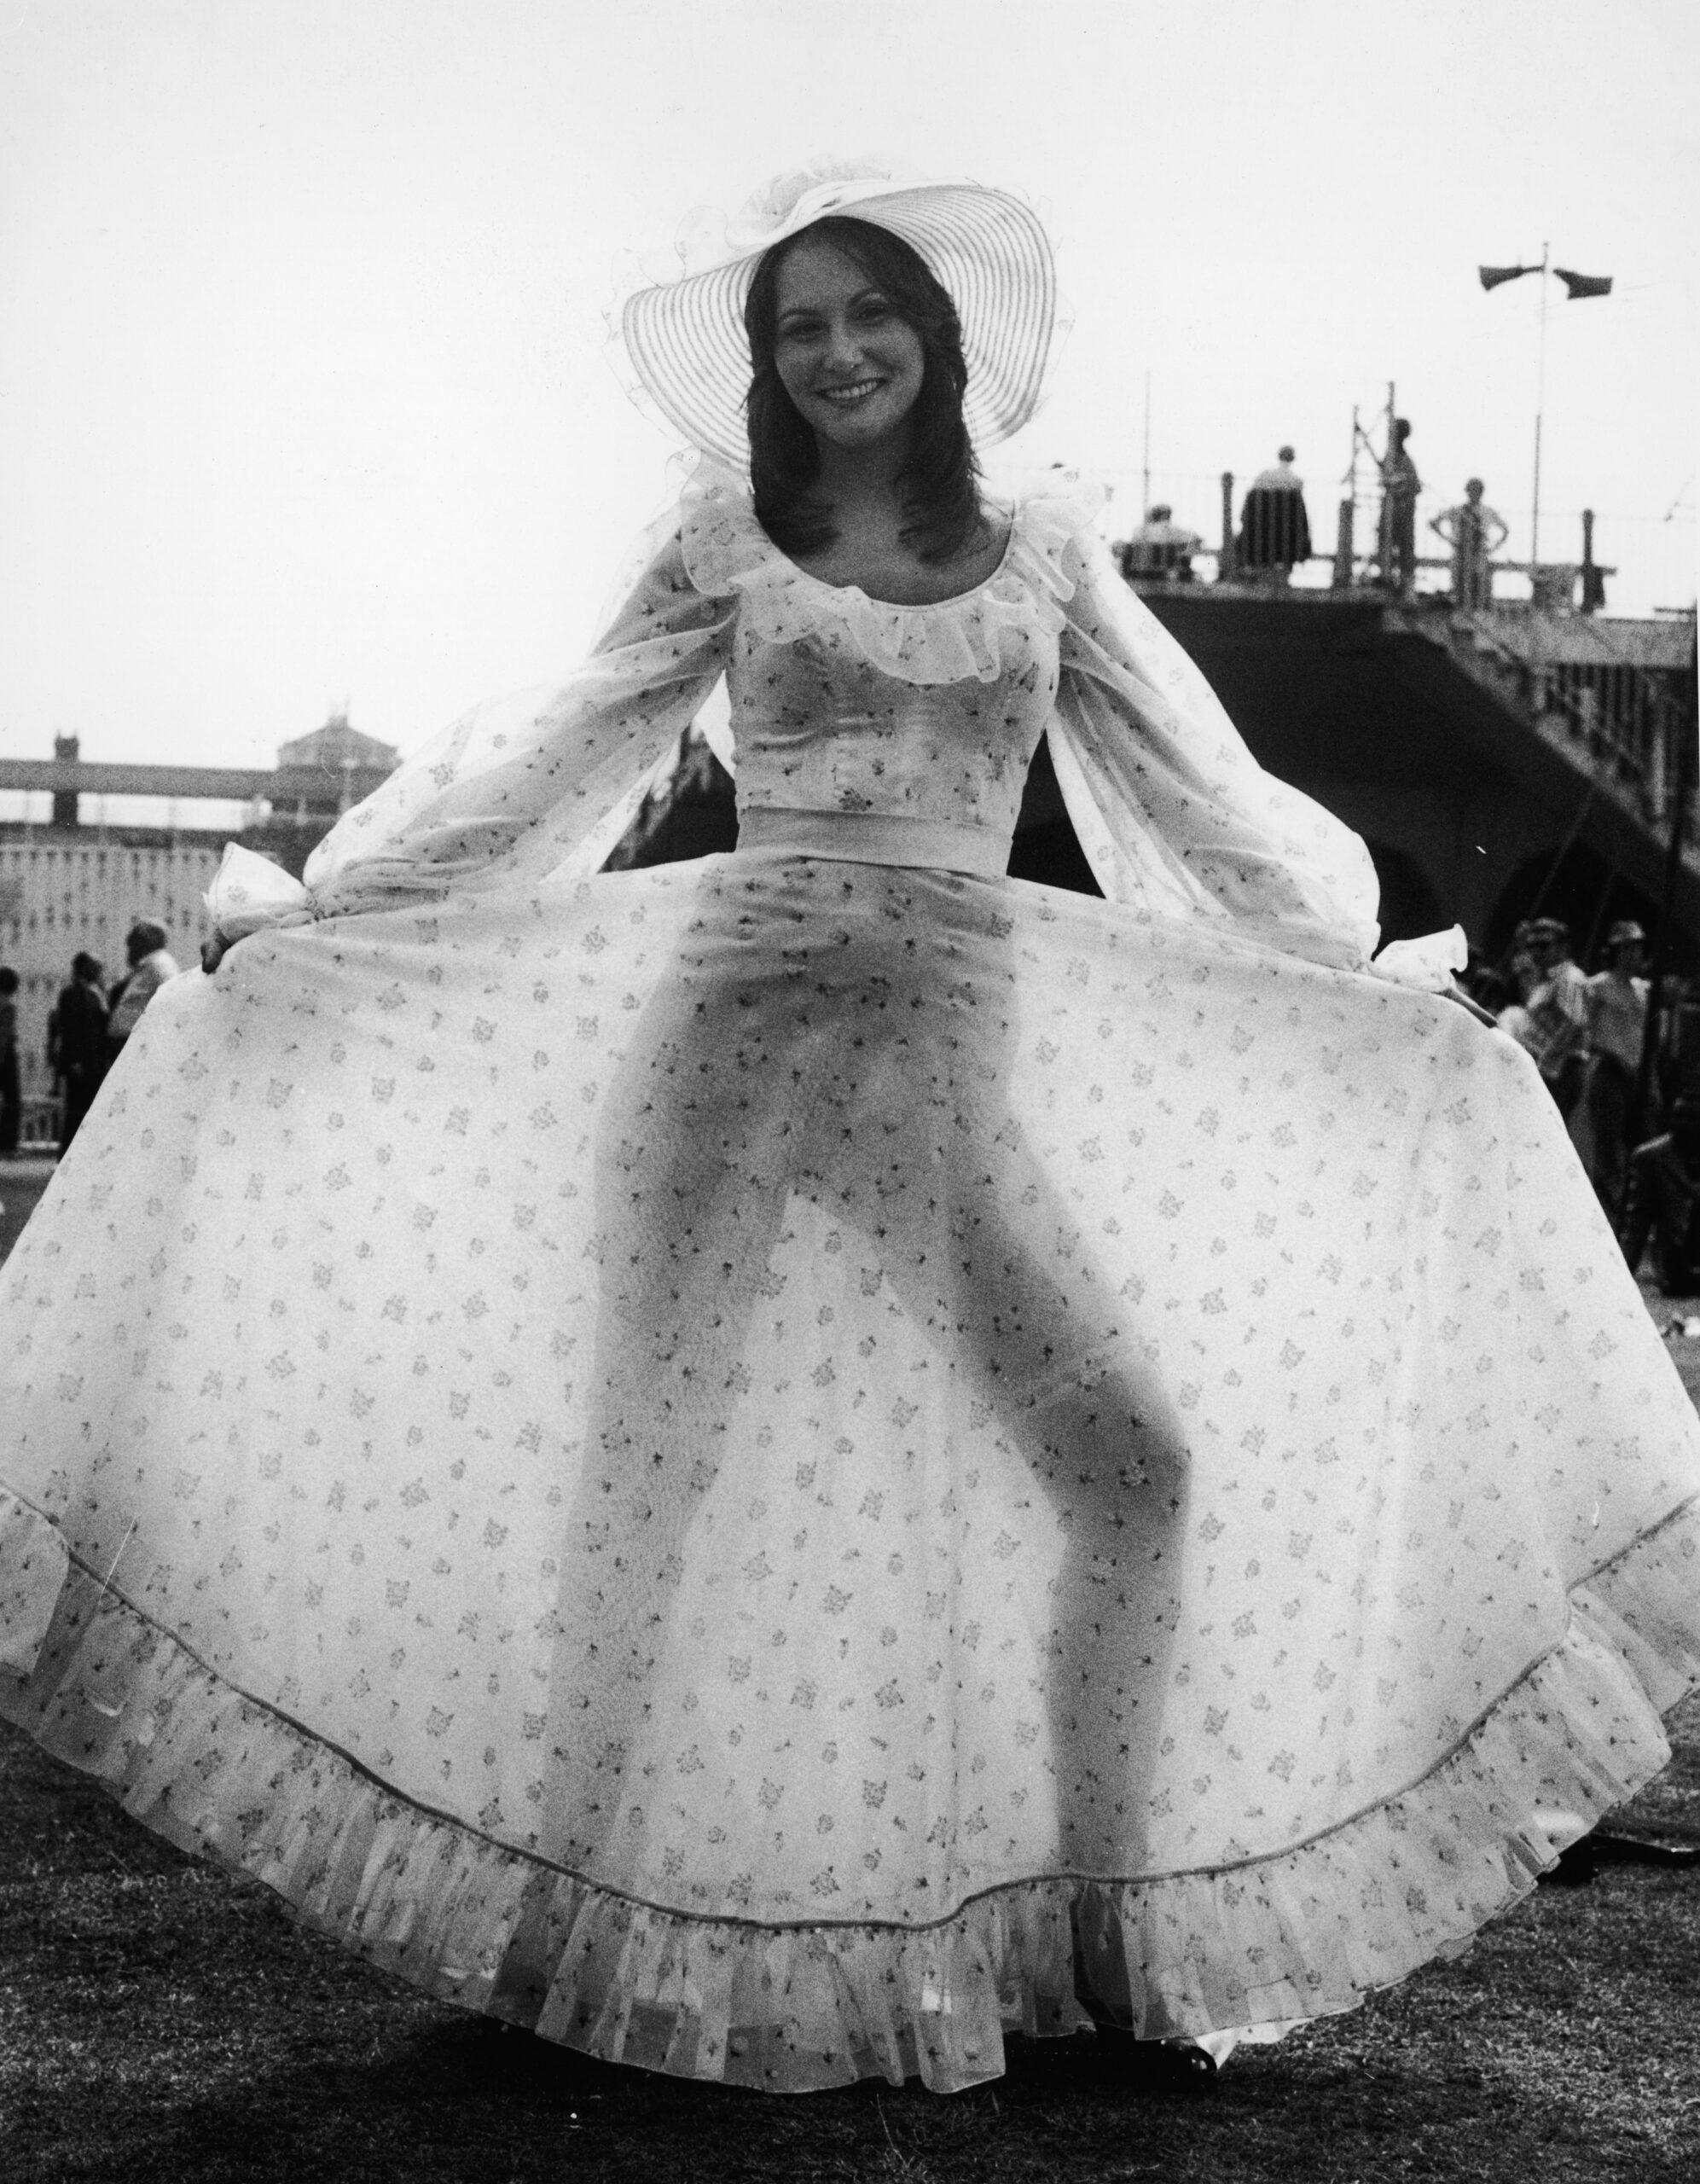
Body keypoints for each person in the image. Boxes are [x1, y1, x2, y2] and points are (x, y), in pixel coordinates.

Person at [1, 168, 1697, 2102]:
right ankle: (555, 1930)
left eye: (863, 315)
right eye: (799, 327)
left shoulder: (1042, 549)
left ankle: (1097, 1933)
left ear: (932, 331)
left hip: (944, 1064)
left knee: (1127, 1462)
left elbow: (1191, 796)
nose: (835, 352)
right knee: (643, 1508)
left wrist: (1363, 968)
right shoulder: (725, 529)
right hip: (725, 1039)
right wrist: (340, 899)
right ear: (765, 360)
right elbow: (571, 745)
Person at [1584, 920, 1651, 1213]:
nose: (1636, 955)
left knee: (1637, 1144)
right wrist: (1613, 1055)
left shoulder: (1642, 990)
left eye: (1638, 949)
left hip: (1637, 1074)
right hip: (1609, 1070)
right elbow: (1587, 1032)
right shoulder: (1597, 986)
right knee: (1607, 1147)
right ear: (1618, 952)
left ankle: (1625, 1207)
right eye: (1629, 949)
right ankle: (1604, 1208)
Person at [1619, 1093, 1700, 1293]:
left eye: (1693, 1118)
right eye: (1679, 1116)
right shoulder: (1650, 1158)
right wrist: (1621, 1274)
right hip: (1677, 1257)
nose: (1685, 1124)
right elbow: (1636, 1222)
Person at [1518, 916, 1591, 1120]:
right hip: (1544, 1066)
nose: (1536, 952)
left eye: (1544, 945)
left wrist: (1545, 1064)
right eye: (1532, 946)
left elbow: (1573, 1023)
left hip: (1559, 1069)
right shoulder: (1546, 979)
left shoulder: (1568, 977)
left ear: (1562, 948)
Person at [46, 952, 110, 1153]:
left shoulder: (95, 991)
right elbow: (72, 1029)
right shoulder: (72, 993)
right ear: (83, 968)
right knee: (77, 1110)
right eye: (95, 966)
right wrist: (75, 1060)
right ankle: (70, 1153)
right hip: (82, 1062)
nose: (100, 970)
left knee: (88, 1107)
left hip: (94, 1061)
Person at [104, 921, 179, 1060]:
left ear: (146, 942)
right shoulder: (149, 965)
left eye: (132, 943)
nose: (129, 949)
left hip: (139, 1047)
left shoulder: (160, 964)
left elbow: (171, 1000)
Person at [1430, 479, 1508, 610]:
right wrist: (1450, 540)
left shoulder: (1486, 511)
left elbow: (1505, 530)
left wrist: (1493, 548)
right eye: (1472, 490)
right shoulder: (1458, 510)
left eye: (1477, 491)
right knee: (1460, 587)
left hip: (1479, 554)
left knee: (1478, 590)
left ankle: (1475, 614)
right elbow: (1434, 523)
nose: (1474, 494)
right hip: (1461, 553)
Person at [1235, 447, 1311, 580]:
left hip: (1259, 539)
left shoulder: (1263, 477)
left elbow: (1245, 514)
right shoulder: (1296, 482)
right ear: (1293, 458)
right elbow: (1301, 519)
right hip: (1287, 543)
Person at [1378, 417, 1421, 595]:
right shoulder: (1395, 456)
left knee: (1402, 546)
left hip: (1401, 508)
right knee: (1392, 544)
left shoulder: (1400, 458)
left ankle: (1403, 583)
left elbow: (1413, 485)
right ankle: (1393, 579)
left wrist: (1397, 484)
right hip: (1397, 507)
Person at [1115, 503, 1204, 583]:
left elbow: (1133, 543)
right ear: (1168, 515)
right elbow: (1197, 539)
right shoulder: (1175, 530)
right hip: (1164, 571)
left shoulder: (1141, 530)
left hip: (1140, 571)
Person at [0, 967, 19, 1156]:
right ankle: (7, 1144)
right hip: (6, 1057)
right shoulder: (9, 1006)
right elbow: (4, 1036)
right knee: (12, 1100)